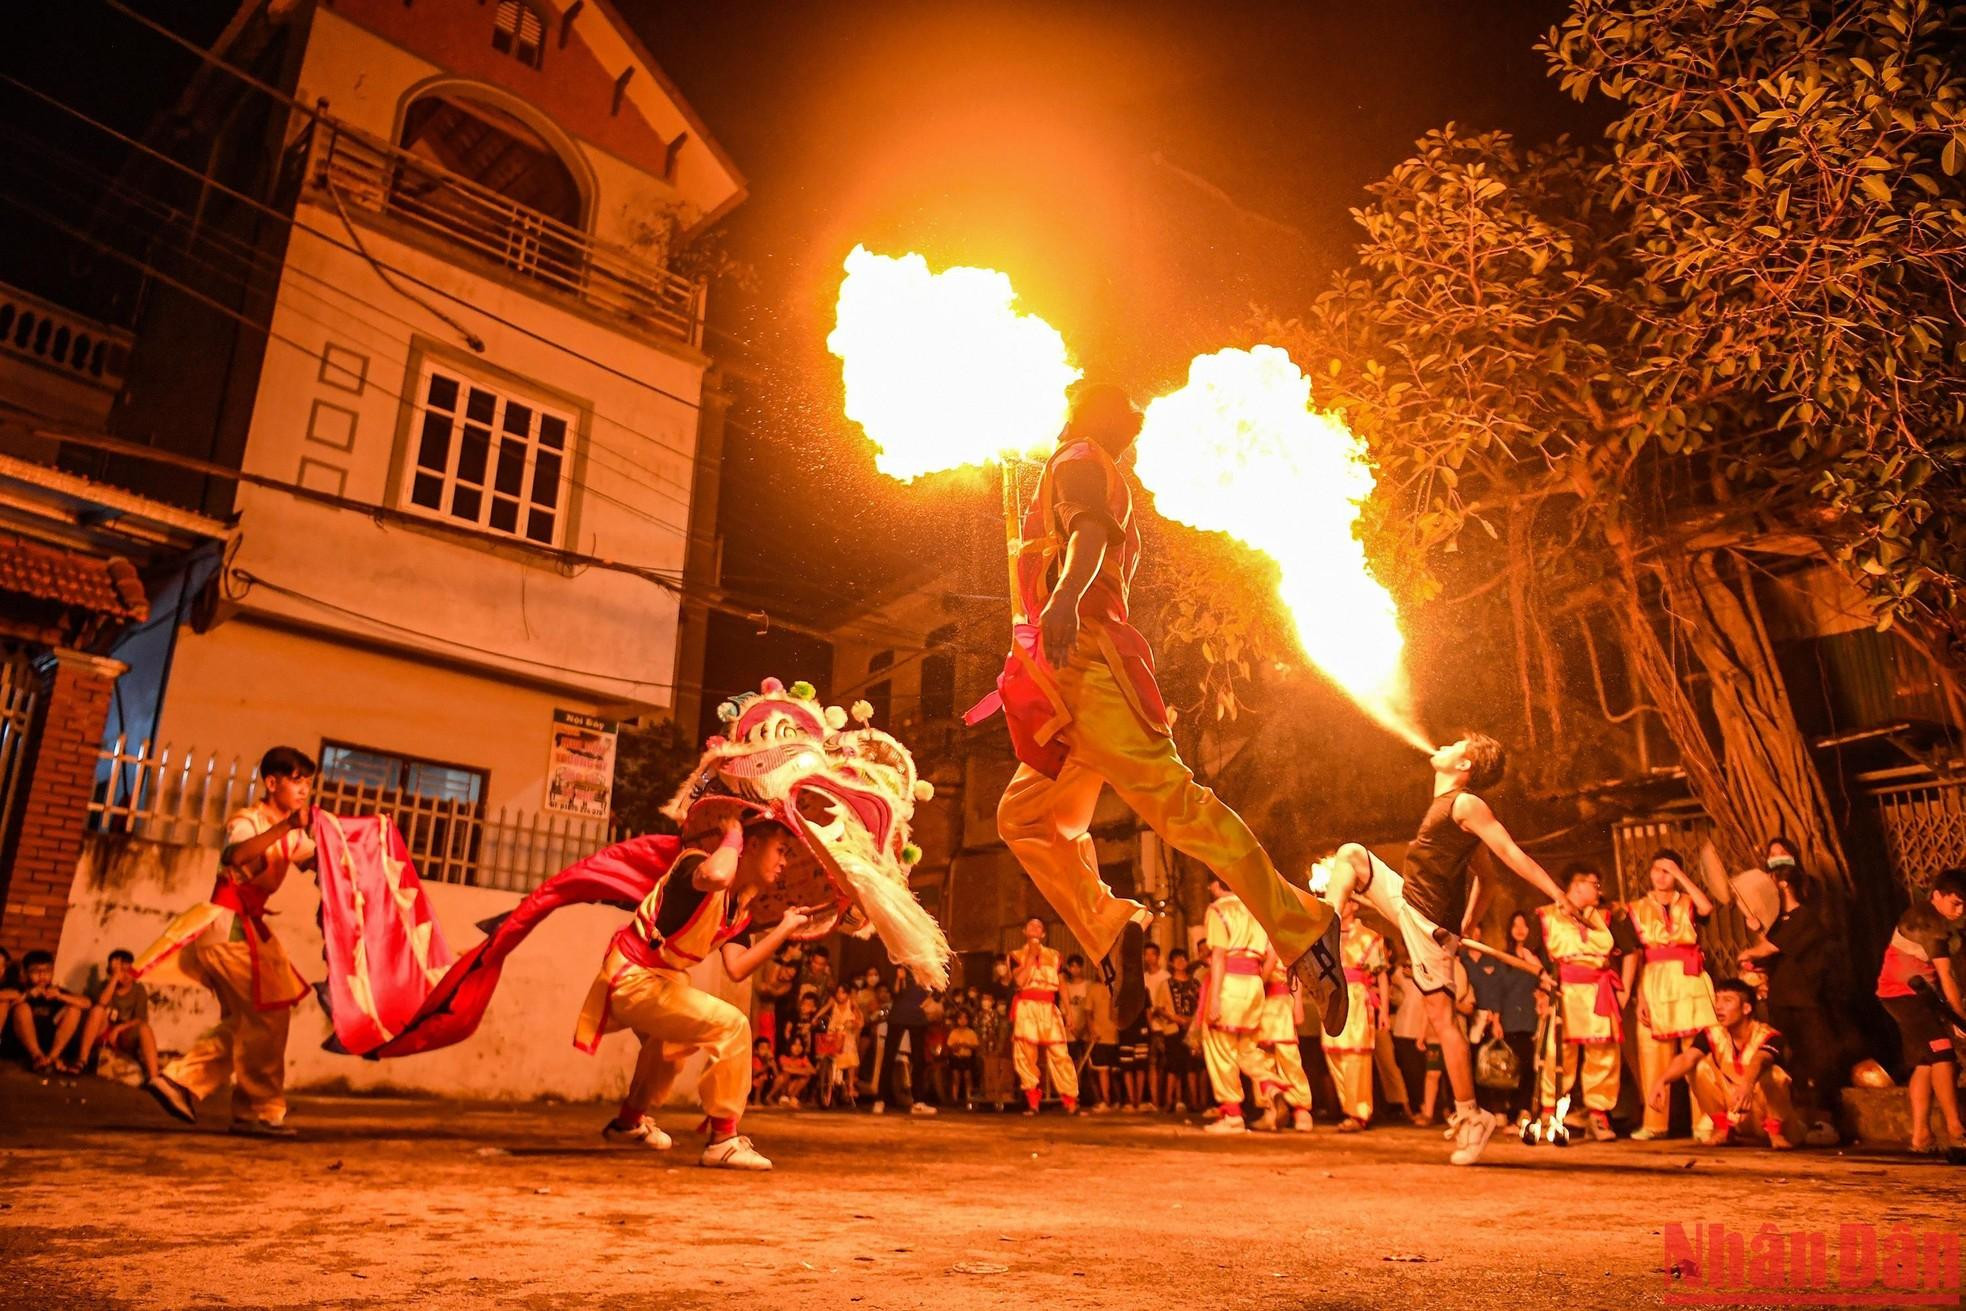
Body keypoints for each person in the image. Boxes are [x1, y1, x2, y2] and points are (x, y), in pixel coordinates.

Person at [983, 383, 1346, 1036]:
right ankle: (1111, 927)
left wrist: (1064, 597)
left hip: (1089, 668)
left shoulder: (1079, 457)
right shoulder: (1079, 466)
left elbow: (1089, 533)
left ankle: (1305, 925)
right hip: (1060, 684)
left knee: (1181, 809)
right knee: (1025, 817)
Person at [1320, 733, 1575, 1165]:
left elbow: (1509, 856)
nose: (1445, 744)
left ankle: (1471, 1116)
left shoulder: (1467, 804)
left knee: (1443, 1020)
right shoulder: (1450, 813)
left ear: (1466, 765)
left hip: (1426, 921)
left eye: (1457, 744)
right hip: (1410, 903)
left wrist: (1556, 893)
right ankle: (1327, 928)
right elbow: (1487, 881)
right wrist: (1469, 923)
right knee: (1352, 856)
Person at [585, 812, 816, 1171]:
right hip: (634, 975)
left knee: (667, 1049)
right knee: (733, 1025)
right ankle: (723, 1140)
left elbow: (737, 968)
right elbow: (716, 875)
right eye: (781, 850)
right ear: (752, 846)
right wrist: (734, 835)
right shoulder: (697, 864)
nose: (785, 863)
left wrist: (785, 928)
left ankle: (628, 1123)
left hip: (659, 980)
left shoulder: (739, 908)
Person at [133, 746, 318, 1136]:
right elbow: (236, 856)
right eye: (297, 780)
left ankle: (184, 1083)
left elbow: (318, 859)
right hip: (228, 926)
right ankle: (259, 1110)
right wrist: (287, 828)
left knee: (251, 1020)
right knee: (266, 1017)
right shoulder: (248, 821)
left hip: (247, 929)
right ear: (273, 783)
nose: (304, 790)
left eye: (308, 783)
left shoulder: (288, 833)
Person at [1737, 839, 1847, 1146]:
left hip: (1808, 1001)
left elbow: (1771, 948)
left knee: (1817, 1060)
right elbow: (1768, 947)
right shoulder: (1776, 920)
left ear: (1783, 883)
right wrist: (1757, 928)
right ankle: (1792, 1121)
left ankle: (1824, 1120)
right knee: (1788, 1062)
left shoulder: (1806, 918)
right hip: (1781, 1001)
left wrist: (1750, 949)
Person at [1622, 849, 1718, 1141]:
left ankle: (1707, 1120)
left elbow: (1707, 908)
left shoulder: (1688, 902)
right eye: (1657, 869)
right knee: (1653, 1053)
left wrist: (1680, 875)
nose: (1661, 875)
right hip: (1655, 980)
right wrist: (1640, 995)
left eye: (1667, 870)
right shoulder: (1636, 908)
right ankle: (1655, 1123)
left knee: (1698, 1052)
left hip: (1690, 981)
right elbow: (1636, 956)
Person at [1873, 868, 1966, 1162]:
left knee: (1926, 1063)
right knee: (1943, 1053)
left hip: (1914, 996)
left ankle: (1921, 1136)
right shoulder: (1927, 921)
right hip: (1903, 995)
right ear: (1936, 896)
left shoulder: (1937, 916)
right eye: (1956, 903)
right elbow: (1946, 975)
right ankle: (1957, 1132)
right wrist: (1960, 1019)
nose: (1960, 911)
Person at [1648, 980, 1802, 1150]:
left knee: (1774, 1074)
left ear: (1746, 1008)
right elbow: (1687, 1058)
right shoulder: (1712, 1033)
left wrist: (1747, 1085)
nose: (1719, 1007)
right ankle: (1723, 1129)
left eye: (1727, 1001)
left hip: (1767, 1113)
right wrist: (1662, 1081)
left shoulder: (1769, 1035)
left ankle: (1775, 1132)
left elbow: (1760, 1059)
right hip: (1736, 1113)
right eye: (1717, 1000)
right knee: (1700, 1068)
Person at [1533, 865, 1625, 1143]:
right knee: (1556, 1052)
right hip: (1564, 992)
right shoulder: (1547, 915)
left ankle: (1598, 1114)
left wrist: (1626, 988)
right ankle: (1551, 1113)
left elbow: (1631, 951)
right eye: (1593, 884)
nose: (1598, 891)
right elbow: (1530, 952)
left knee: (1603, 1052)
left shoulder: (1608, 916)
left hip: (1599, 991)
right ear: (1575, 885)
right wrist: (1540, 985)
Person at [1200, 877, 1284, 1135]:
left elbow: (1218, 956)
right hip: (1254, 984)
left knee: (1218, 1046)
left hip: (1229, 984)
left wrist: (1214, 999)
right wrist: (1260, 981)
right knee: (1246, 1048)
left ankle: (1232, 1115)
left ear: (1217, 884)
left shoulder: (1217, 910)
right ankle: (1271, 1086)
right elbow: (1272, 955)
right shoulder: (1257, 911)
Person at [75, 948, 194, 1121]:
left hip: (123, 1036)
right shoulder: (104, 987)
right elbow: (100, 1004)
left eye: (126, 971)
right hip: (103, 1034)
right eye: (118, 971)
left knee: (145, 1028)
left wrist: (119, 1029)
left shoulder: (138, 990)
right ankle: (82, 1060)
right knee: (98, 1010)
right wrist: (114, 979)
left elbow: (140, 1020)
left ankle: (154, 1079)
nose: (124, 975)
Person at [1323, 901, 1388, 1132]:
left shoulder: (1369, 938)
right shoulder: (1324, 933)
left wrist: (1385, 1012)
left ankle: (1359, 1112)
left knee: (1356, 1054)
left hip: (1357, 998)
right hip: (1332, 997)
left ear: (1354, 904)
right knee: (1333, 1052)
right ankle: (1348, 1109)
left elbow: (1380, 976)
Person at [1010, 918, 1080, 1115]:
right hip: (1027, 1007)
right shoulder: (1015, 955)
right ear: (1024, 931)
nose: (1034, 928)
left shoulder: (1055, 956)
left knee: (1060, 1053)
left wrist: (1068, 1011)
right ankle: (1033, 1102)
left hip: (1048, 1007)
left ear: (1043, 934)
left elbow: (1062, 985)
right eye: (1031, 925)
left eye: (1039, 926)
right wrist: (1031, 958)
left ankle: (1070, 1100)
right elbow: (1020, 981)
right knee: (1026, 1055)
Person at [1254, 947, 1315, 1132]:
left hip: (1272, 999)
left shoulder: (1273, 932)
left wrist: (1255, 986)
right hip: (1272, 1000)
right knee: (1273, 1059)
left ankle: (1295, 1109)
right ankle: (1281, 1110)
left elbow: (1280, 963)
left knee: (1276, 1058)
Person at [7, 950, 88, 1074]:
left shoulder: (56, 991)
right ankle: (37, 1057)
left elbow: (86, 1003)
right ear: (26, 973)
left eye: (47, 970)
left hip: (52, 1040)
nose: (42, 975)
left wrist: (60, 996)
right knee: (21, 1008)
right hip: (24, 1042)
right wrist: (28, 995)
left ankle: (51, 1058)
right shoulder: (20, 989)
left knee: (74, 1009)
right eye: (35, 971)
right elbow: (8, 1007)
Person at [873, 963, 938, 1116]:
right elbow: (895, 993)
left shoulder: (926, 968)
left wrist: (930, 1001)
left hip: (918, 1018)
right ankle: (880, 1099)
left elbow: (937, 989)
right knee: (888, 1058)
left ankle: (918, 1102)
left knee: (918, 1060)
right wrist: (899, 978)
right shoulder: (900, 966)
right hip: (898, 1017)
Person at [1151, 947, 1202, 1112]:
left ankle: (1195, 1102)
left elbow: (1202, 1005)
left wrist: (1191, 1021)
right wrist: (1175, 1018)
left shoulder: (1195, 983)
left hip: (1192, 1030)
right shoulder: (1165, 984)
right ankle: (1168, 1102)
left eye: (1183, 958)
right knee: (1172, 1067)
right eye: (1177, 959)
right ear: (1171, 963)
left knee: (1192, 1067)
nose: (1181, 962)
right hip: (1172, 1028)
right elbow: (1158, 1008)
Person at [813, 983, 862, 1109]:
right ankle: (826, 1080)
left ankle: (850, 1086)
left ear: (847, 993)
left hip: (847, 1034)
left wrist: (855, 1022)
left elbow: (859, 1016)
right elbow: (824, 1009)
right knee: (827, 1053)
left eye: (843, 992)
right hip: (833, 1032)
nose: (840, 995)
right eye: (838, 992)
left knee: (850, 1058)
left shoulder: (851, 1003)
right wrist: (816, 1017)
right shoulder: (833, 1001)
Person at [976, 991, 1015, 1112]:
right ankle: (986, 1093)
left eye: (988, 1000)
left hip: (994, 1048)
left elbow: (998, 1034)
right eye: (984, 999)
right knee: (983, 1071)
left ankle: (998, 1094)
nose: (986, 1002)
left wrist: (996, 1046)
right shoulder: (978, 1016)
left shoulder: (997, 1017)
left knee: (996, 1071)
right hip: (981, 1046)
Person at [945, 1009, 979, 1109]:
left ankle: (969, 1100)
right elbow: (950, 1046)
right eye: (960, 1018)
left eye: (965, 1018)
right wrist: (957, 1046)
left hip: (967, 1058)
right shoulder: (954, 1032)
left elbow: (976, 1046)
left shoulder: (971, 1032)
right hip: (956, 1058)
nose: (962, 1020)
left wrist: (967, 1045)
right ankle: (954, 1099)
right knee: (956, 1078)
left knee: (968, 1078)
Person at [773, 1036, 816, 1106]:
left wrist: (797, 1070)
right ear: (790, 1046)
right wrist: (803, 1071)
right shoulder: (784, 1057)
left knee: (807, 1076)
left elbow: (813, 1071)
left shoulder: (803, 1058)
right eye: (795, 1044)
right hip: (782, 1086)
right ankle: (783, 1096)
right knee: (786, 1074)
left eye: (800, 1045)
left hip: (794, 1087)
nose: (797, 1048)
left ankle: (792, 1097)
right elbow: (785, 1069)